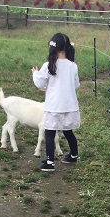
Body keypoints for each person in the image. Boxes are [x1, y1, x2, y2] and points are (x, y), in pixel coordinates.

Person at [32, 32, 80, 173]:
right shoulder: (73, 66)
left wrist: (35, 73)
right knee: (68, 131)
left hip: (54, 106)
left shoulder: (48, 65)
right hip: (69, 105)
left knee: (50, 133)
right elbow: (76, 85)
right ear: (66, 47)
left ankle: (50, 162)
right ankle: (73, 155)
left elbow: (39, 82)